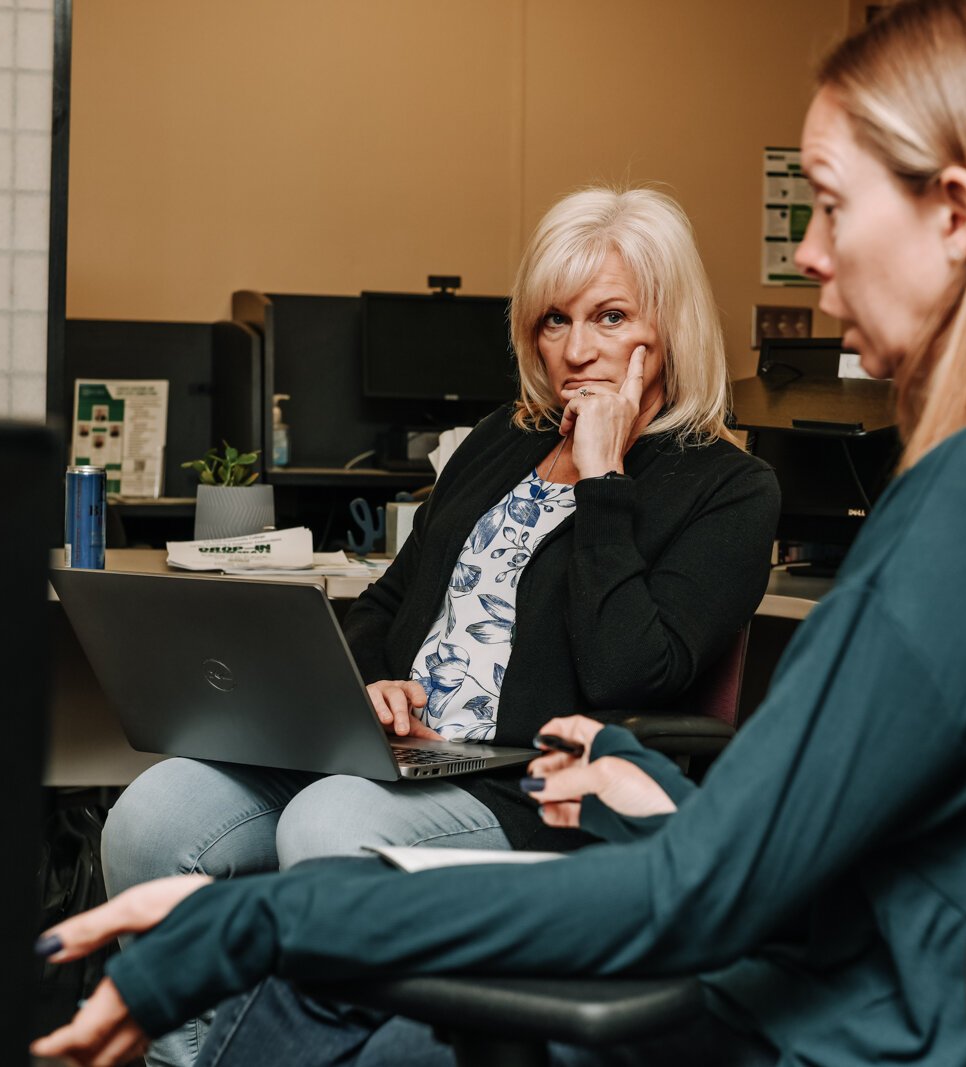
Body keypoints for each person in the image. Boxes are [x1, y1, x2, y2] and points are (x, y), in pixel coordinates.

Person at [32, 0, 966, 1063]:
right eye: (553, 323)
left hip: (837, 1015)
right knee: (261, 919)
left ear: (957, 211)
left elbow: (711, 885)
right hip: (863, 967)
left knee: (333, 1004)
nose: (811, 253)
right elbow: (823, 820)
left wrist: (268, 916)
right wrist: (641, 772)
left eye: (828, 204)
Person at [95, 186, 781, 1064]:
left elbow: (629, 675)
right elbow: (392, 602)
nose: (575, 352)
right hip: (400, 753)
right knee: (156, 812)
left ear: (670, 322)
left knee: (329, 823)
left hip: (535, 789)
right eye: (552, 321)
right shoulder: (503, 438)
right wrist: (363, 686)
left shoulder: (724, 487)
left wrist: (606, 477)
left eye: (608, 317)